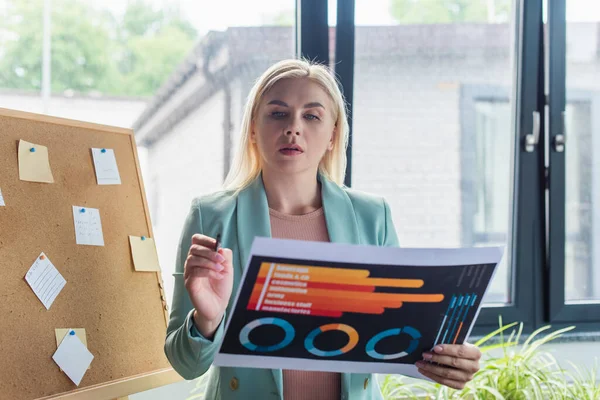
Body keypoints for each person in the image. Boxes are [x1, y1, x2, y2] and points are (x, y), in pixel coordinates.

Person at [164, 58, 481, 400]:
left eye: (311, 116)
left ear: (333, 135)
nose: (293, 128)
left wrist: (450, 358)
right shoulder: (210, 216)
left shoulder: (373, 216)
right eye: (278, 113)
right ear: (253, 128)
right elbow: (186, 365)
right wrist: (207, 320)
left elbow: (404, 330)